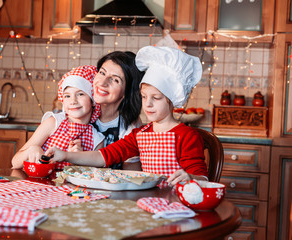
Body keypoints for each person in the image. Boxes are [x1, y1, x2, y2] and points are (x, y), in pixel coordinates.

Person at [46, 46, 208, 186]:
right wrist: (65, 155)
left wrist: (190, 178)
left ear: (171, 100)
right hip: (148, 201)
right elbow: (104, 156)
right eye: (144, 97)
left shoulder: (187, 136)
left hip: (176, 203)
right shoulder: (140, 134)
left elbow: (203, 178)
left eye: (156, 98)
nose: (148, 104)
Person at [11, 65, 105, 170]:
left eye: (80, 94)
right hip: (39, 184)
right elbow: (15, 163)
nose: (73, 101)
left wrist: (77, 161)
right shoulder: (52, 123)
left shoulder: (96, 139)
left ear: (93, 100)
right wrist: (31, 150)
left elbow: (94, 176)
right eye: (67, 96)